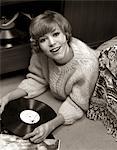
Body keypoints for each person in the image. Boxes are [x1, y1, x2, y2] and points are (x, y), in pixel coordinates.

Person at [0, 10, 99, 144]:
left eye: (56, 34)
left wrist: (50, 125)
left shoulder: (87, 64)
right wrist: (8, 97)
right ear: (38, 44)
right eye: (43, 40)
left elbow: (77, 103)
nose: (52, 43)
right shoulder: (41, 53)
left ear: (66, 34)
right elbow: (36, 79)